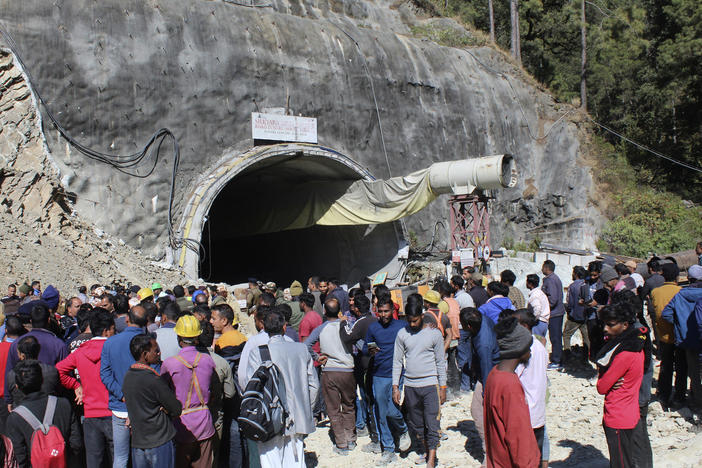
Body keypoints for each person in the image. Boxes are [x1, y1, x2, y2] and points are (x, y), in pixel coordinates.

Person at [245, 308, 319, 468]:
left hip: (270, 417)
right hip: (298, 415)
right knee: (296, 460)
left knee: (271, 461)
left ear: (263, 327)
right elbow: (314, 385)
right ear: (284, 327)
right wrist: (307, 409)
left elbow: (251, 386)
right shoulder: (301, 349)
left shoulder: (258, 353)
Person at [392, 299, 446, 468]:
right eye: (409, 320)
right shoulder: (402, 334)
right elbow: (397, 362)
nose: (412, 324)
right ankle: (426, 450)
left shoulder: (434, 334)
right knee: (416, 424)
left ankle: (431, 458)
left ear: (422, 316)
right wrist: (395, 386)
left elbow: (440, 362)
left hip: (431, 385)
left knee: (432, 423)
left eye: (415, 320)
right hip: (410, 386)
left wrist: (443, 387)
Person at [483, 316, 540, 468]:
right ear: (519, 349)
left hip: (498, 459)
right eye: (528, 347)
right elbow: (517, 435)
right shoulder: (510, 385)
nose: (530, 352)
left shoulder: (494, 374)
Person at [161, 315, 217, 468]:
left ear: (179, 338)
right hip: (204, 422)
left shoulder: (169, 364)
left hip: (181, 425)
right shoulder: (207, 360)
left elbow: (163, 395)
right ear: (197, 338)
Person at [6, 360, 82, 468]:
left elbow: (20, 457)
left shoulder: (15, 418)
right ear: (42, 380)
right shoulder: (63, 404)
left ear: (17, 386)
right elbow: (76, 444)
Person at [595, 303, 645, 468]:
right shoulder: (636, 346)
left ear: (625, 325)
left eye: (610, 324)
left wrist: (605, 378)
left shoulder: (623, 354)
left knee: (620, 463)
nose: (605, 329)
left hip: (617, 415)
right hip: (629, 412)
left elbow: (601, 387)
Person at [304, 298, 357, 454]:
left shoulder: (321, 329)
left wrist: (317, 357)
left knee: (333, 408)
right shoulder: (346, 325)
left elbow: (306, 344)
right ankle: (351, 438)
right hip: (347, 371)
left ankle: (341, 443)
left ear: (325, 311)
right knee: (349, 405)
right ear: (339, 310)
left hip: (330, 371)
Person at [123, 334, 182, 468]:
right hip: (159, 441)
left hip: (139, 443)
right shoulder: (153, 380)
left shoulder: (128, 376)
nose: (159, 353)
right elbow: (176, 408)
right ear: (145, 354)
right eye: (156, 350)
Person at [363, 295, 410, 462]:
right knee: (382, 413)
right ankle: (388, 449)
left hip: (398, 375)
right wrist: (370, 351)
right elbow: (364, 348)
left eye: (386, 311)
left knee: (393, 409)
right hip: (379, 375)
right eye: (380, 311)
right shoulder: (373, 328)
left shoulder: (402, 326)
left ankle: (403, 430)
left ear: (393, 311)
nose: (383, 315)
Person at [100, 304, 147, 468]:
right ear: (146, 322)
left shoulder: (111, 342)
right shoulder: (150, 343)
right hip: (144, 409)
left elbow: (104, 374)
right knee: (142, 456)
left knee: (120, 457)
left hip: (119, 407)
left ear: (127, 320)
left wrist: (122, 394)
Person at [4, 302, 67, 407]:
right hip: (51, 402)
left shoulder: (17, 343)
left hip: (22, 403)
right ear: (48, 320)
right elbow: (65, 375)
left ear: (30, 321)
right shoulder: (59, 345)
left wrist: (8, 399)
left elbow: (9, 371)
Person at [508, 308, 549, 467]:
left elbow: (512, 377)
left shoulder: (523, 348)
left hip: (524, 412)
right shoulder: (539, 346)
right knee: (535, 456)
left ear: (524, 325)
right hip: (537, 410)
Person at [458, 307, 500, 455]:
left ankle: (489, 449)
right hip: (489, 371)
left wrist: (487, 395)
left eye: (462, 324)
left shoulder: (484, 344)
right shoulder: (483, 320)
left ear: (469, 326)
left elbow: (487, 369)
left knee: (477, 411)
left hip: (491, 376)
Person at [338, 294, 378, 442]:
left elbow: (348, 337)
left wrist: (343, 323)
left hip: (365, 363)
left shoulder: (361, 323)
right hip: (375, 362)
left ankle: (370, 429)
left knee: (366, 395)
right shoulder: (375, 319)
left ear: (357, 309)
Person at [661, 282, 702, 412]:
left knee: (693, 374)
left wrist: (679, 324)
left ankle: (696, 401)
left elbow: (666, 314)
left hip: (687, 340)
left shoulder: (680, 295)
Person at [650, 263, 685, 408]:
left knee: (666, 366)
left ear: (662, 275)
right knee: (682, 367)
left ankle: (663, 395)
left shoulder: (655, 292)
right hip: (679, 336)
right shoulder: (681, 291)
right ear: (677, 276)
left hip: (663, 336)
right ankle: (679, 396)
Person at [5, 336, 60, 408]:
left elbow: (10, 397)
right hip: (49, 411)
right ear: (38, 350)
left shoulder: (12, 375)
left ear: (22, 355)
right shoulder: (52, 371)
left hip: (22, 414)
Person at [541, 260, 566, 370]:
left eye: (543, 267)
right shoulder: (553, 278)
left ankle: (557, 361)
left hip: (555, 313)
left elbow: (553, 299)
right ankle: (557, 359)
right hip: (556, 312)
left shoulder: (550, 280)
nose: (542, 269)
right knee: (555, 337)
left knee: (555, 337)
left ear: (546, 268)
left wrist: (545, 307)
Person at [564, 266, 590, 363]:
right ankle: (586, 358)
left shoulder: (573, 286)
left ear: (576, 274)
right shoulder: (586, 285)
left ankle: (567, 356)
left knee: (566, 335)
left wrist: (569, 310)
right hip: (585, 315)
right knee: (586, 337)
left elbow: (570, 302)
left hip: (574, 316)